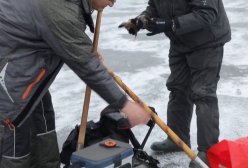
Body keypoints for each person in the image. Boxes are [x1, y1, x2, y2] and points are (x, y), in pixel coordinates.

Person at [0, 0, 150, 167]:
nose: (111, 4)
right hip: (10, 69)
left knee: (43, 118)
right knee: (14, 131)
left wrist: (81, 44)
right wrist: (124, 105)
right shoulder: (58, 11)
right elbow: (86, 66)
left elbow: (58, 28)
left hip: (29, 63)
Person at [119, 0, 231, 166]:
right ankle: (177, 139)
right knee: (178, 88)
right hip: (180, 41)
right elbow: (154, 7)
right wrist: (142, 20)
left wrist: (170, 24)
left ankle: (208, 150)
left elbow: (206, 13)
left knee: (203, 93)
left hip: (207, 41)